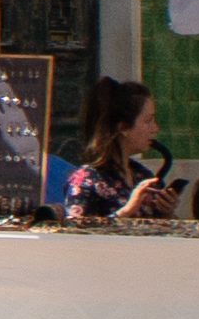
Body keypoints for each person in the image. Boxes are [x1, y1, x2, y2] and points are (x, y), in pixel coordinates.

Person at [65, 78, 175, 221]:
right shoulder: (86, 180)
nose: (155, 129)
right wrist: (126, 211)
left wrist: (166, 212)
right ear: (123, 127)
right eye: (148, 121)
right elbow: (75, 234)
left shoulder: (142, 175)